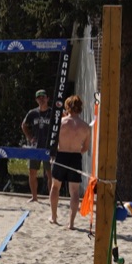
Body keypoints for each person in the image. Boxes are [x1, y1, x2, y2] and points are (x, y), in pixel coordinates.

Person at [51, 94, 91, 227]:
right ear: (80, 109)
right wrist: (75, 151)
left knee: (55, 186)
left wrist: (59, 148)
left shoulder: (61, 123)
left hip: (62, 154)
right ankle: (71, 223)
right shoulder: (85, 127)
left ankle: (54, 217)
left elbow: (53, 143)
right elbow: (85, 148)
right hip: (75, 157)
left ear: (67, 107)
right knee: (74, 191)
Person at [21, 90, 55, 201]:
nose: (41, 99)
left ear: (47, 98)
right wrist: (30, 137)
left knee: (50, 174)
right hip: (35, 147)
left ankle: (51, 197)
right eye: (39, 98)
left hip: (48, 147)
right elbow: (24, 125)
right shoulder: (33, 113)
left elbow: (62, 122)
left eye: (43, 97)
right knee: (32, 172)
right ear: (36, 100)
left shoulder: (53, 112)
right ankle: (34, 197)